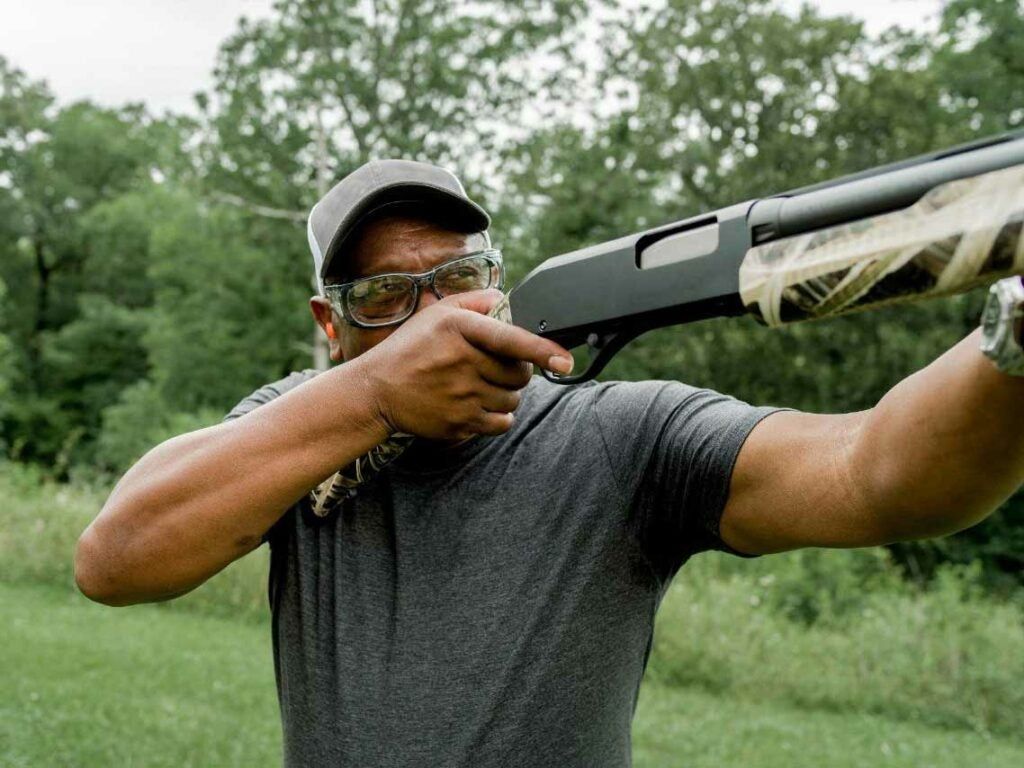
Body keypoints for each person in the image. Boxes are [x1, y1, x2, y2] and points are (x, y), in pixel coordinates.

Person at [75, 159, 1024, 767]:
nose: (434, 318)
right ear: (331, 326)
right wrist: (371, 400)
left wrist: (1014, 334)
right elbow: (114, 563)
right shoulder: (295, 431)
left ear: (499, 285)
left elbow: (881, 476)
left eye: (458, 279)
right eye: (385, 295)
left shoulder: (622, 436)